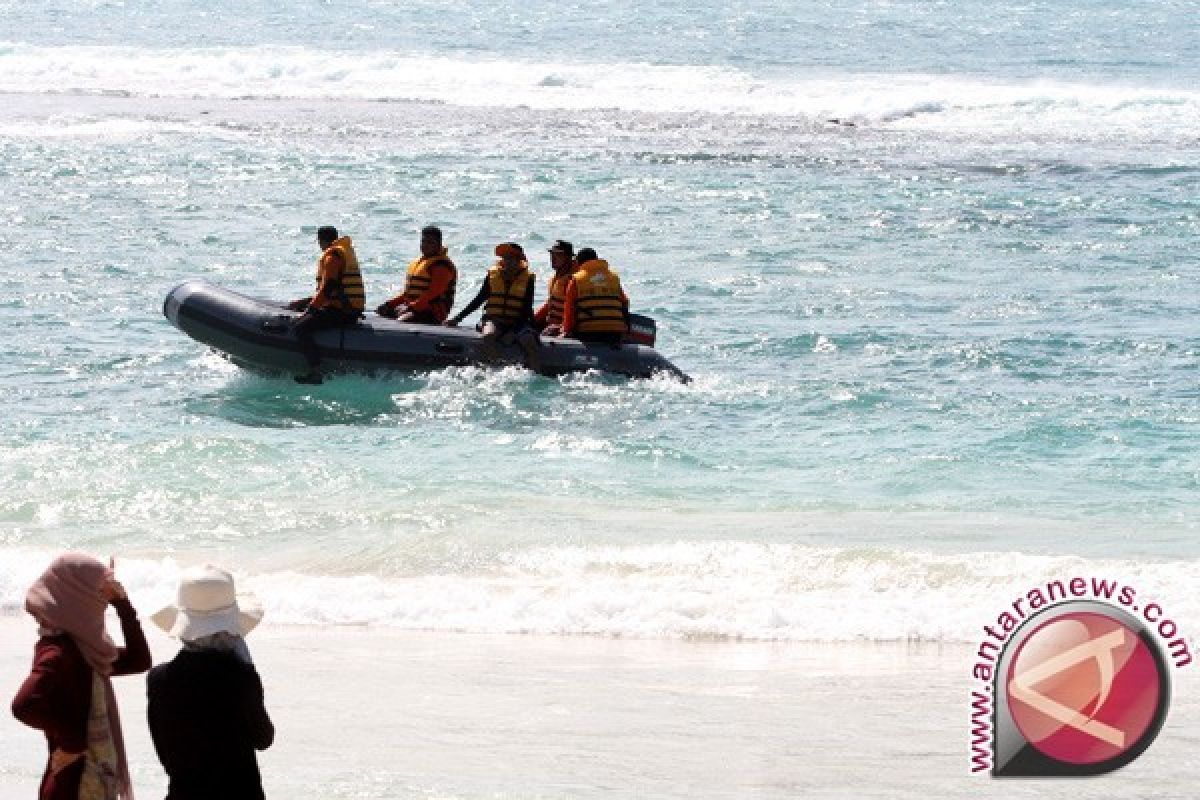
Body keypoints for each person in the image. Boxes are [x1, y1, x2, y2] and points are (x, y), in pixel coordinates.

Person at [11, 553, 152, 800]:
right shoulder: (58, 652)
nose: (103, 601)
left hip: (84, 781)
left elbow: (140, 660)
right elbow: (24, 705)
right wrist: (73, 743)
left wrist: (123, 605)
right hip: (73, 785)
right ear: (78, 597)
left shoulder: (86, 650)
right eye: (99, 593)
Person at [147, 565, 274, 800]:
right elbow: (264, 738)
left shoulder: (159, 679)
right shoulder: (239, 677)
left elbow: (165, 755)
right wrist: (248, 669)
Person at [445, 242, 541, 371]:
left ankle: (535, 373)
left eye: (512, 258)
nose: (508, 261)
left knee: (529, 342)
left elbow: (526, 308)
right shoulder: (492, 275)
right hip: (494, 320)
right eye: (506, 257)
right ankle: (500, 369)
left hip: (518, 322)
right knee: (488, 336)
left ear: (520, 260)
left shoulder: (528, 279)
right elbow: (479, 299)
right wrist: (457, 318)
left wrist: (513, 332)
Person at [289, 225, 365, 384]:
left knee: (300, 327)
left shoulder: (332, 257)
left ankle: (315, 372)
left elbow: (328, 287)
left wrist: (311, 309)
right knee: (309, 315)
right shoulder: (342, 252)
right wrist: (304, 302)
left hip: (342, 311)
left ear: (321, 240)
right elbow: (333, 290)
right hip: (345, 308)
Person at [376, 225, 457, 324]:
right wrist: (389, 304)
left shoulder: (441, 266)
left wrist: (411, 307)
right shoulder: (419, 262)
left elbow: (432, 294)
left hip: (433, 311)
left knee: (402, 321)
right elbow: (407, 294)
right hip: (414, 307)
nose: (425, 245)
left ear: (439, 245)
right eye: (423, 241)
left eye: (430, 242)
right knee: (383, 312)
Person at [559, 247, 630, 345]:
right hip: (615, 333)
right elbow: (625, 302)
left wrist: (566, 331)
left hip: (588, 333)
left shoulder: (576, 280)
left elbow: (569, 309)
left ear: (579, 263)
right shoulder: (614, 278)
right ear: (596, 259)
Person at [532, 239, 574, 337]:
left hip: (564, 326)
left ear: (568, 258)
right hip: (551, 323)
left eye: (558, 255)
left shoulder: (573, 279)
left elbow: (575, 310)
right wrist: (533, 320)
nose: (553, 258)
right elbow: (550, 305)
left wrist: (562, 327)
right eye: (552, 254)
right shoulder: (555, 279)